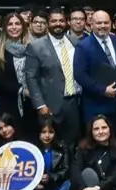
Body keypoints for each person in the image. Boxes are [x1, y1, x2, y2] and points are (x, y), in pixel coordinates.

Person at [25, 9, 82, 147]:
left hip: (75, 102)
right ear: (48, 23)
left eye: (61, 21)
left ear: (66, 23)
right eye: (54, 21)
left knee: (73, 142)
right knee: (51, 144)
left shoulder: (75, 42)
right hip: (50, 104)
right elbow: (31, 78)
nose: (58, 24)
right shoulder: (35, 46)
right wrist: (40, 104)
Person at [74, 10, 116, 131]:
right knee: (96, 140)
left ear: (110, 24)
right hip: (95, 103)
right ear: (91, 24)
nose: (102, 26)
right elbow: (79, 74)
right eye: (99, 23)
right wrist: (102, 90)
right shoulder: (83, 46)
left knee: (115, 138)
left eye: (106, 23)